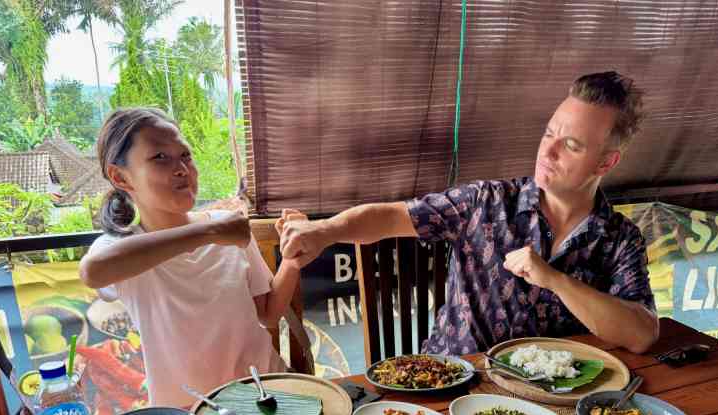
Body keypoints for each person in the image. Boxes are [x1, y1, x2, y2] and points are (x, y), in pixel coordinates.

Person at [279, 71, 659, 355]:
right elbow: (389, 217)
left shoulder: (619, 238)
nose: (548, 152)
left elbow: (642, 334)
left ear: (606, 162)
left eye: (571, 145)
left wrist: (554, 280)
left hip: (548, 406)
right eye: (548, 134)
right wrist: (324, 230)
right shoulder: (487, 202)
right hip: (452, 384)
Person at [79, 107, 304, 408]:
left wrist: (291, 257)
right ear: (120, 177)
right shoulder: (124, 248)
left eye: (185, 155)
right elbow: (93, 272)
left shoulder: (227, 228)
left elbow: (268, 312)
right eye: (160, 157)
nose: (182, 168)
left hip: (266, 394)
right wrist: (208, 233)